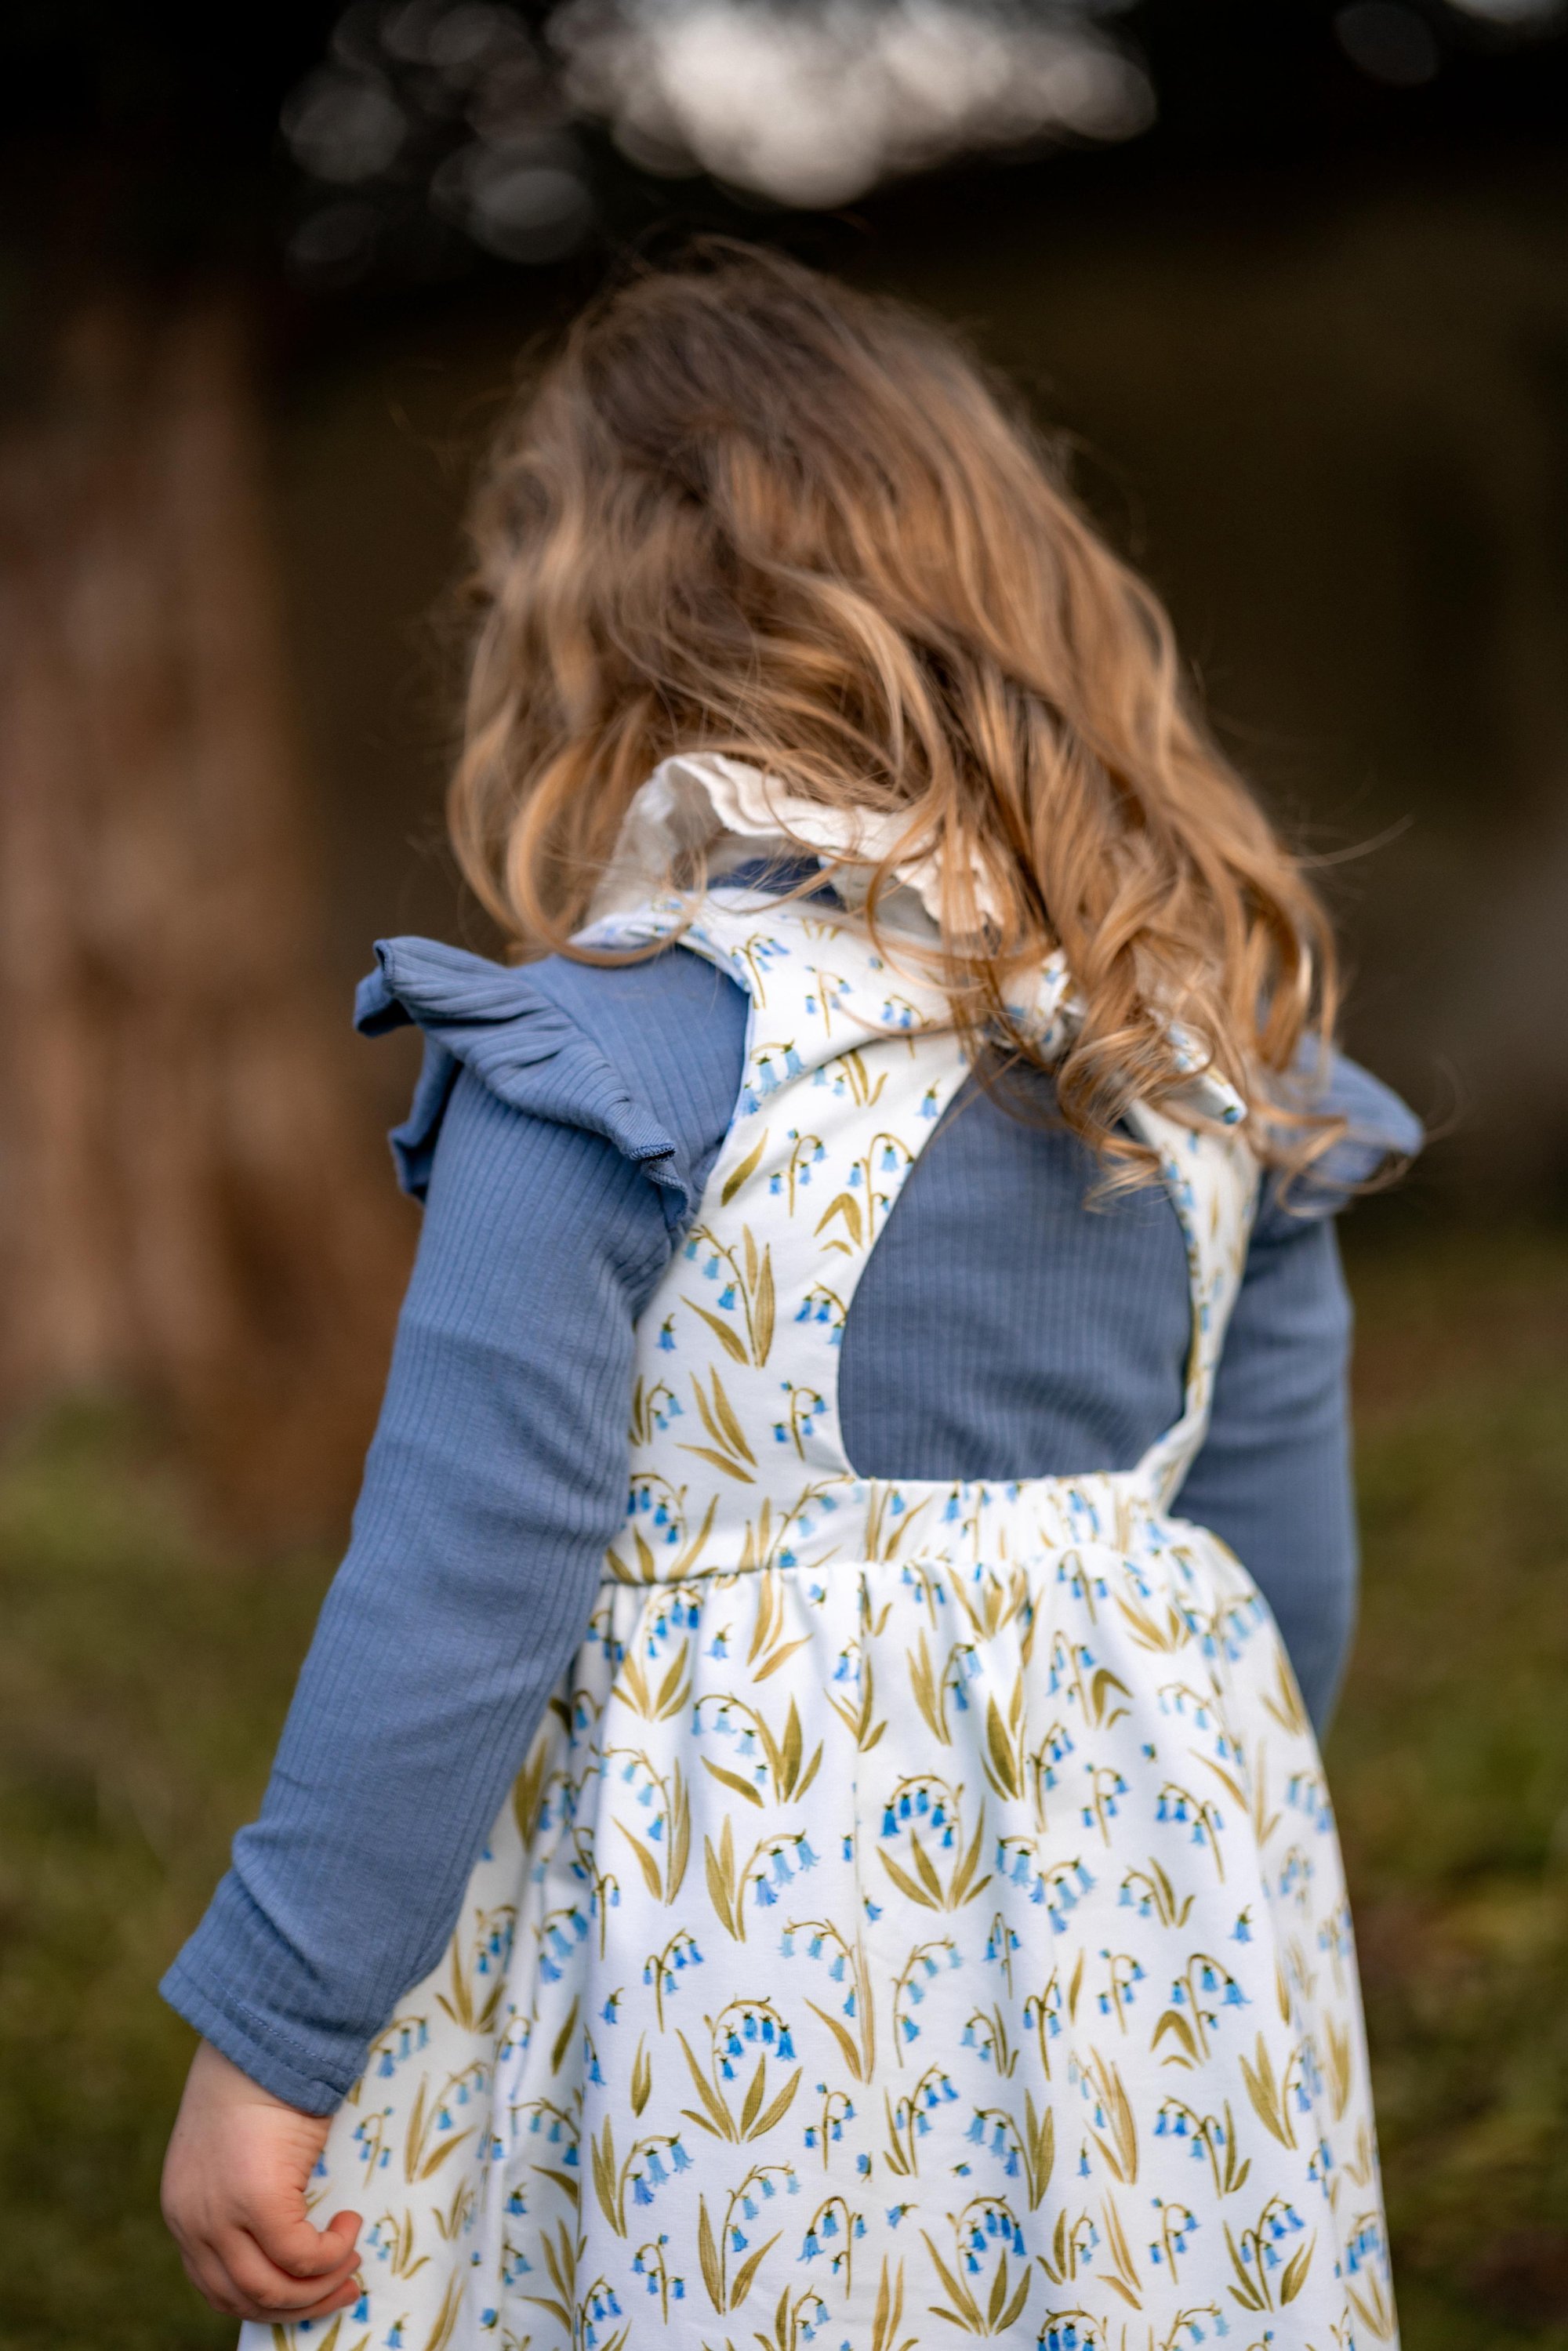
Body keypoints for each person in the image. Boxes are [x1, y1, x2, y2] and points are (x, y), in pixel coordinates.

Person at [159, 247, 1414, 2349]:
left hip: (726, 1988)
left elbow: (461, 1582)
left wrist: (276, 2038)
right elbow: (1286, 1572)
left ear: (586, 638)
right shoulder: (1214, 1071)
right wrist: (1191, 1873)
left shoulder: (616, 1059)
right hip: (1151, 1994)